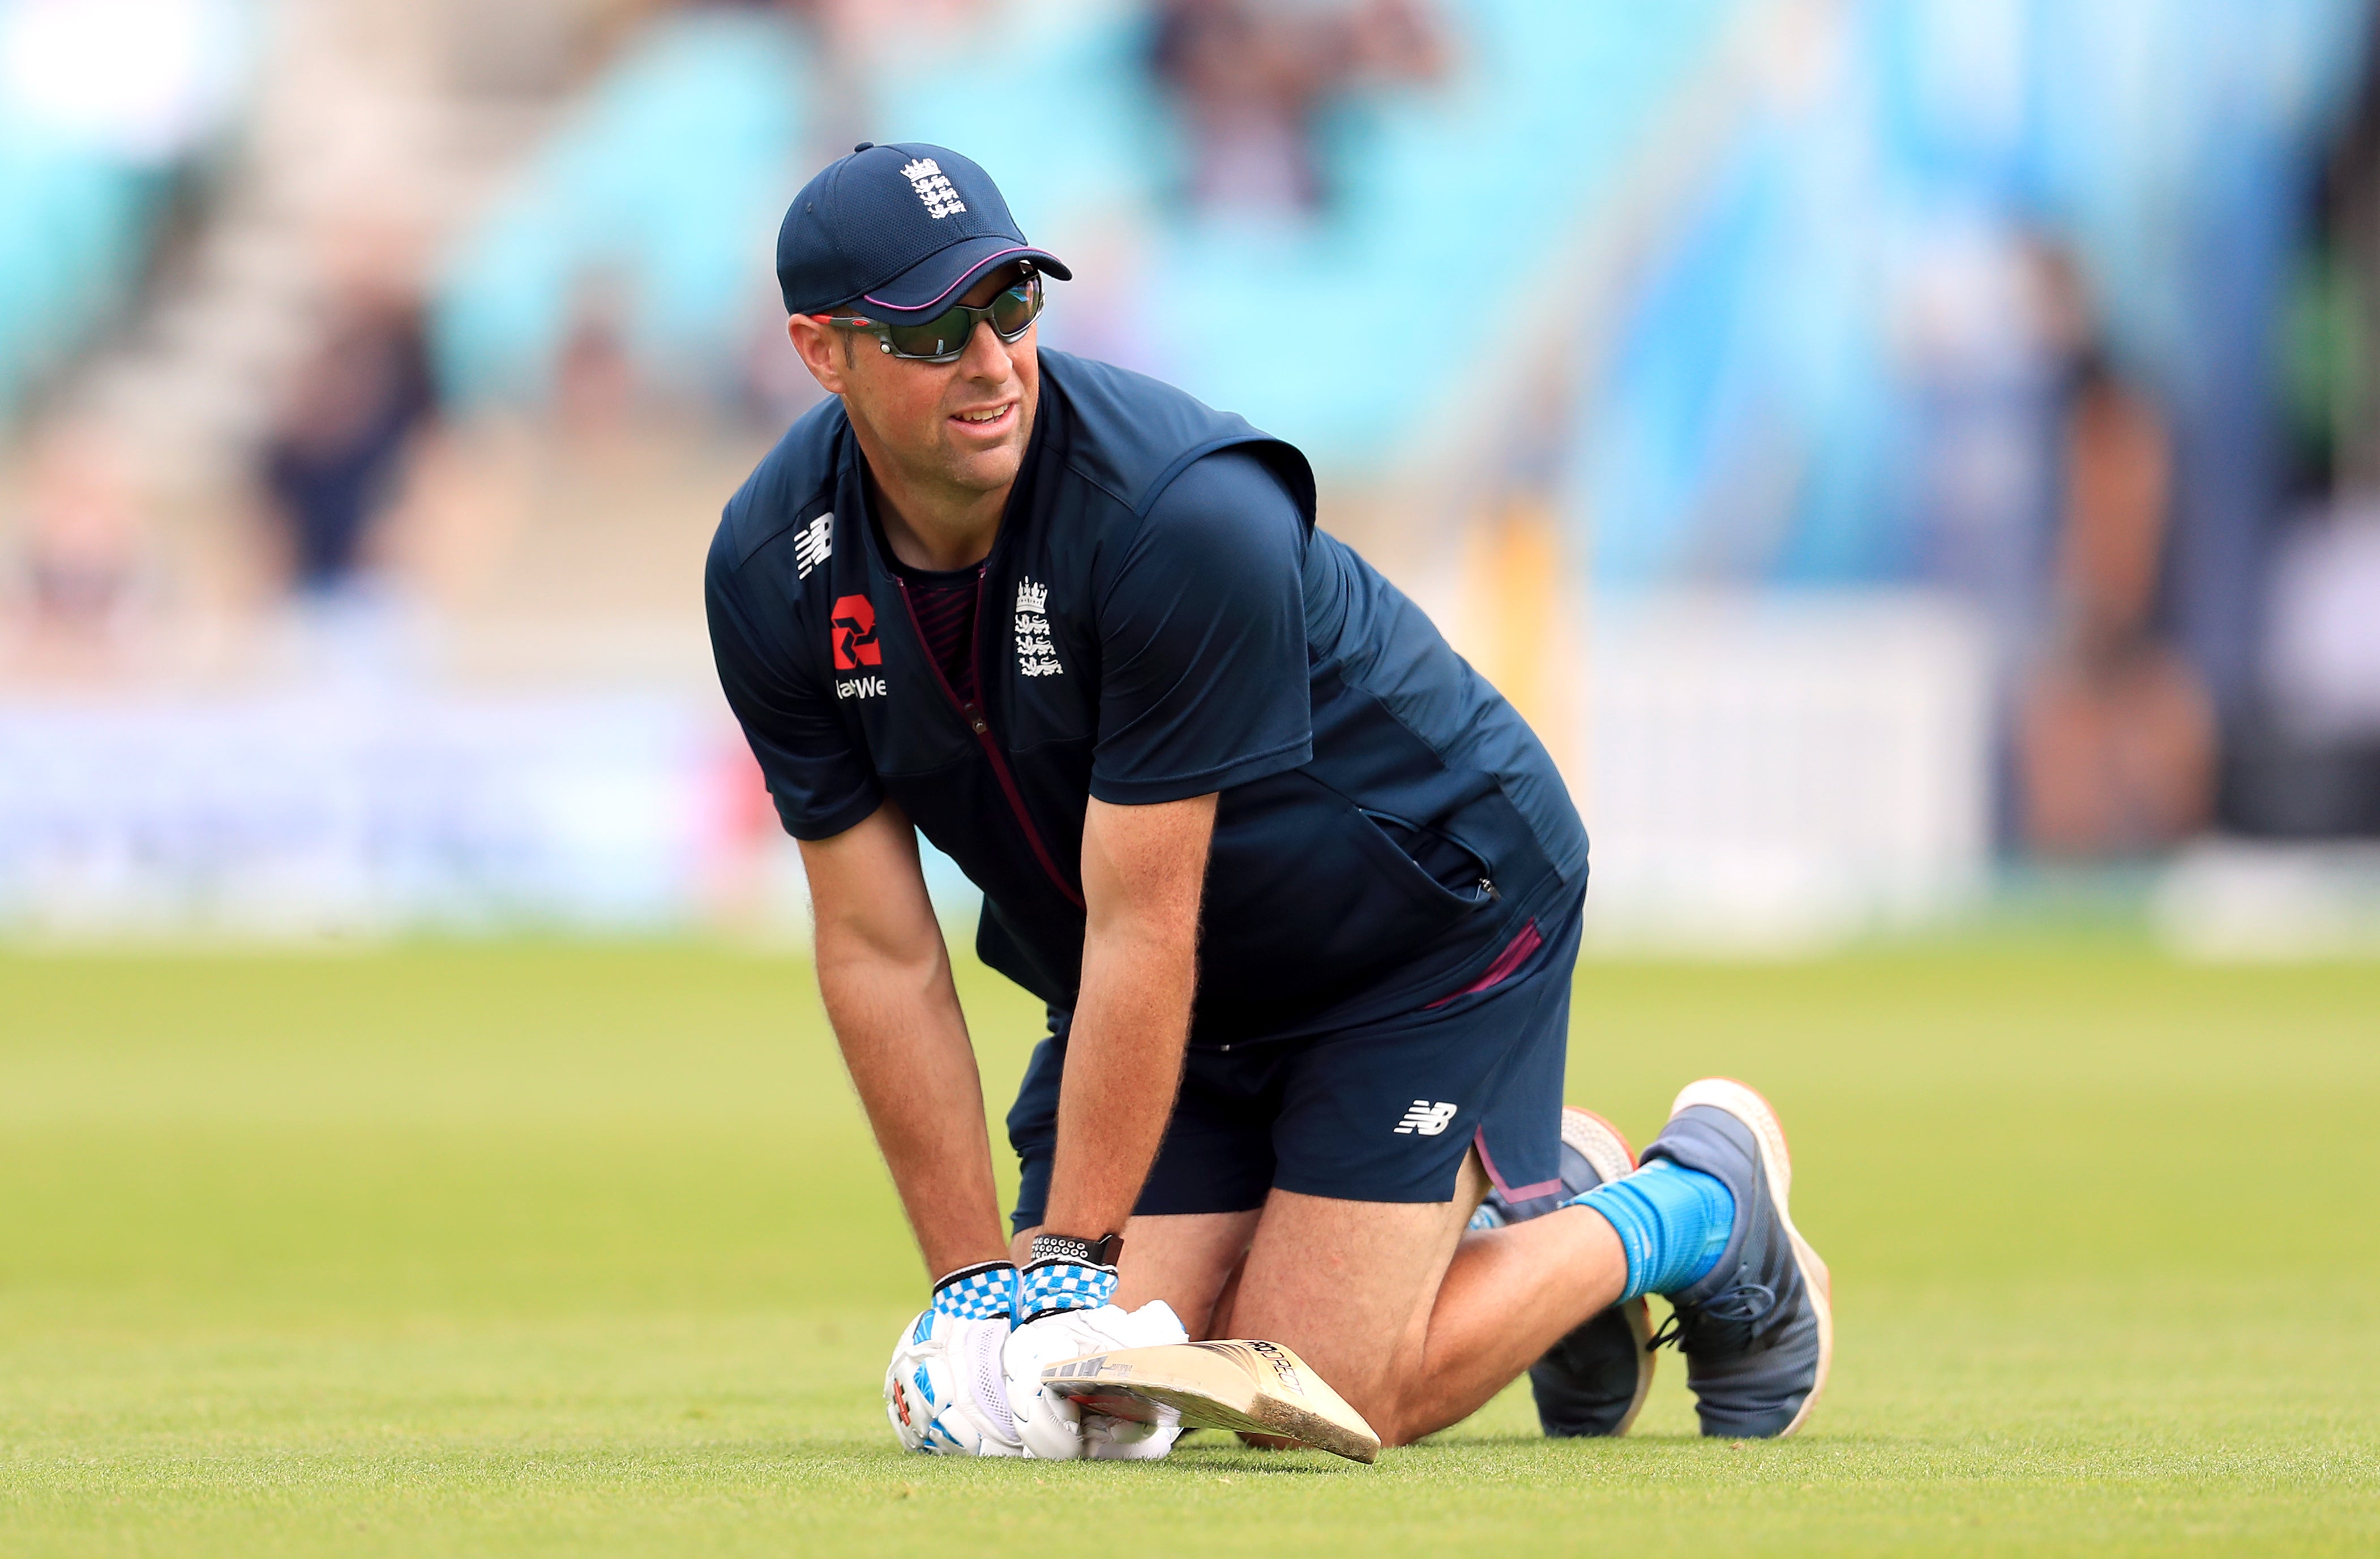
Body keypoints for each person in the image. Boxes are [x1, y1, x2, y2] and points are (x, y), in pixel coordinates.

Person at [704, 142, 1832, 1457]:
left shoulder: (1175, 517)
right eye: (932, 330)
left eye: (1011, 305)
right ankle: (1536, 1191)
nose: (992, 361)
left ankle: (1696, 1206)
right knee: (1099, 1393)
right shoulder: (770, 570)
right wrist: (971, 1291)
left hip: (1422, 920)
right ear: (818, 350)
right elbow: (878, 948)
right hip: (1190, 978)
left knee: (1309, 1393)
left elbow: (1144, 922)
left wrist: (1067, 1263)